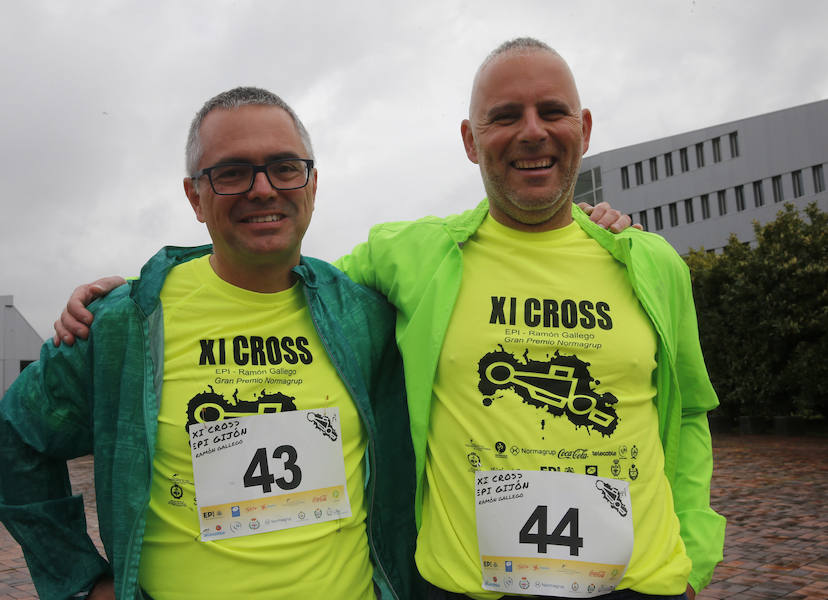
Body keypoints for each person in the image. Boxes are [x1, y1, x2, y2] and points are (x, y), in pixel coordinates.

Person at [55, 37, 720, 600]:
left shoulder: (651, 264)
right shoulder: (411, 255)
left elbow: (688, 414)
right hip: (465, 587)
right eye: (504, 116)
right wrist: (142, 292)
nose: (532, 132)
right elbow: (277, 267)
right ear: (470, 139)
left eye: (552, 112)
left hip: (637, 583)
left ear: (585, 127)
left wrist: (695, 551)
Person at [0, 87, 419, 600]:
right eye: (232, 172)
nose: (263, 189)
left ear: (312, 183)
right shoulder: (124, 324)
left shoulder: (364, 318)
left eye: (284, 167)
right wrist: (84, 580)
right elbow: (19, 436)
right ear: (195, 196)